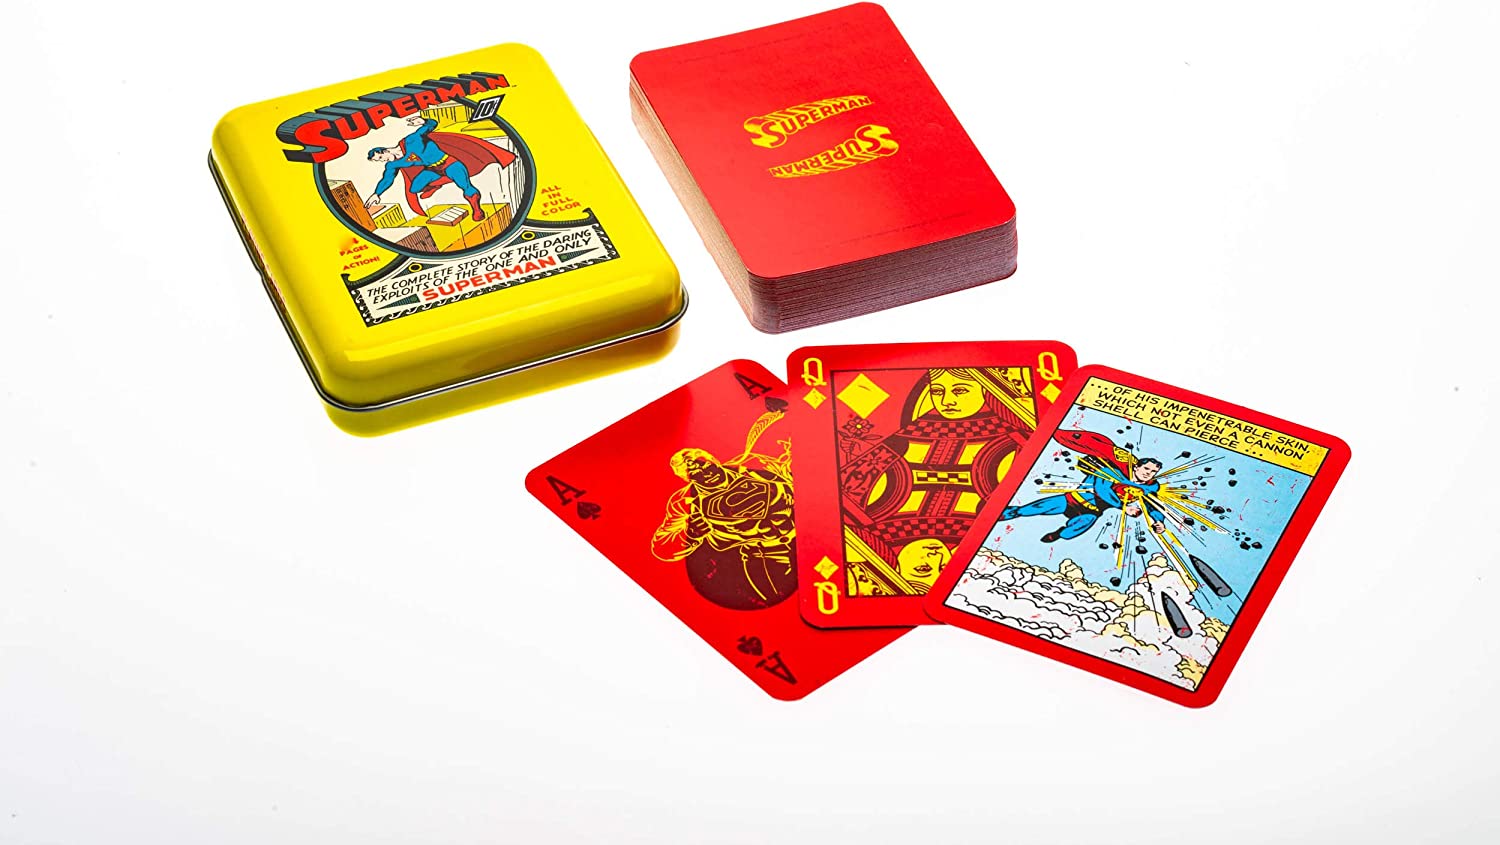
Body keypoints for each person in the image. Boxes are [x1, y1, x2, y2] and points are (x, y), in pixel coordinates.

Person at [838, 367, 1035, 596]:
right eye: (937, 391)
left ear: (985, 390)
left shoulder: (1018, 441)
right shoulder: (903, 439)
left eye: (960, 390)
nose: (947, 401)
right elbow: (844, 500)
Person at [651, 446, 797, 610]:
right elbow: (662, 547)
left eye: (705, 464)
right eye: (695, 472)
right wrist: (692, 534)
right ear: (687, 477)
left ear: (713, 460)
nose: (706, 473)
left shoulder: (754, 464)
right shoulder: (684, 503)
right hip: (764, 557)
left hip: (805, 539)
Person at [1001, 430, 1166, 542]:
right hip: (1071, 500)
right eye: (1146, 469)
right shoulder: (1111, 471)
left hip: (1092, 512)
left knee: (1072, 532)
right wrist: (1124, 507)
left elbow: (1152, 506)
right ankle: (1000, 514)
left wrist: (1159, 521)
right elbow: (1102, 490)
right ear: (1136, 467)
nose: (1148, 473)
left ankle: (1058, 534)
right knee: (1028, 510)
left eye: (1153, 471)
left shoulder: (1149, 488)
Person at [364, 115, 514, 220]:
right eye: (378, 161)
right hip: (432, 170)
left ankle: (476, 209)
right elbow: (387, 179)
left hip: (449, 163)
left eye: (380, 158)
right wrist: (377, 193)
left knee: (465, 186)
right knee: (414, 188)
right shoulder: (393, 164)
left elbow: (431, 125)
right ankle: (435, 186)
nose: (383, 161)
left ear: (384, 151)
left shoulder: (412, 140)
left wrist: (424, 121)